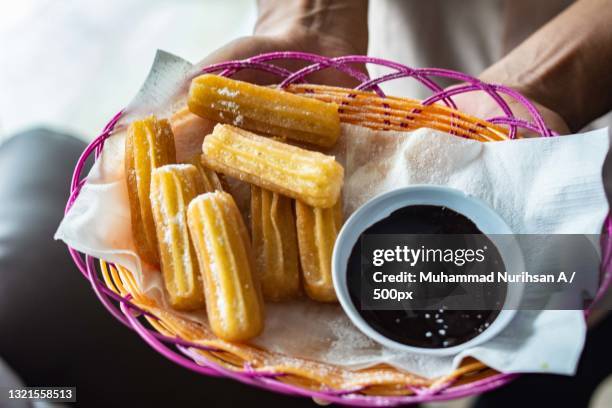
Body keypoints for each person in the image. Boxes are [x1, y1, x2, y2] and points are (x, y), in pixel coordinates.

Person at [1, 0, 611, 406]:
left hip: (569, 147)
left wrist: (548, 85)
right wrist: (314, 24)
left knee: (562, 329)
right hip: (401, 113)